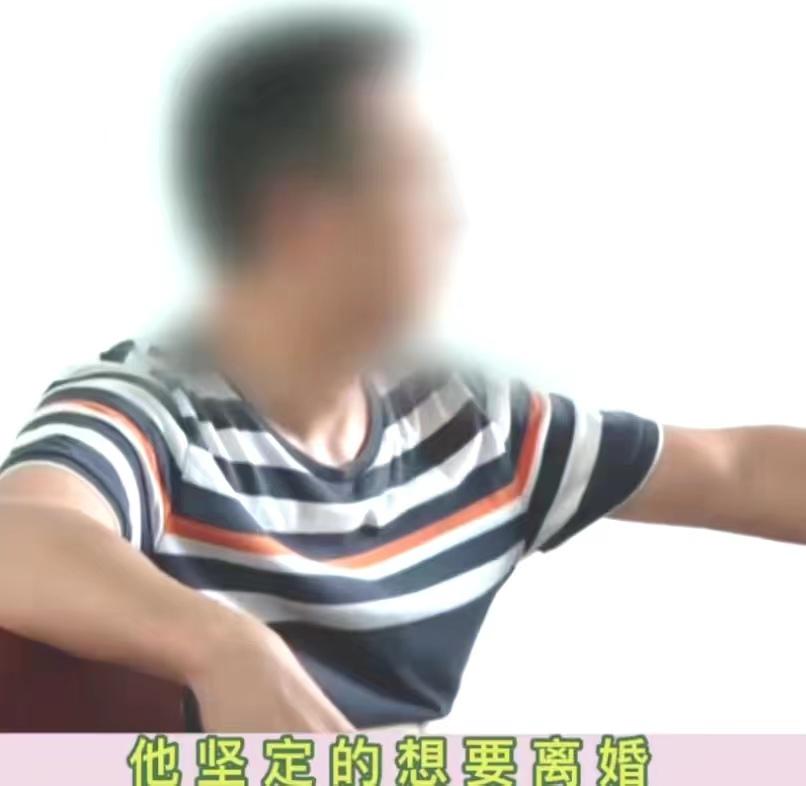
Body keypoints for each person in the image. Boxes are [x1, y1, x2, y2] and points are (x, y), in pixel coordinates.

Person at [0, 13, 803, 733]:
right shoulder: (152, 409)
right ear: (297, 214)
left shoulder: (472, 424)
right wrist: (224, 647)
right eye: (417, 179)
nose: (453, 221)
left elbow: (735, 469)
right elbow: (17, 536)